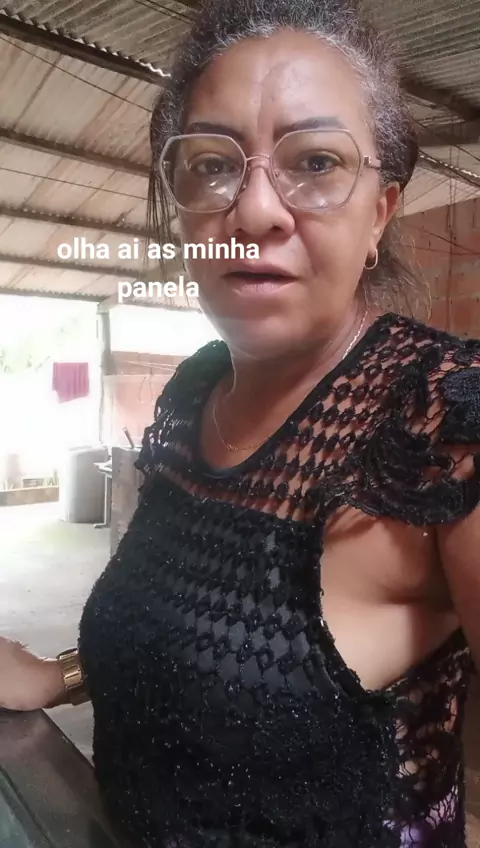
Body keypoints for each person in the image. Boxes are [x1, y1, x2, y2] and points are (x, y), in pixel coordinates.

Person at [1, 0, 480, 845]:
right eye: (212, 165)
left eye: (318, 161)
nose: (255, 211)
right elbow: (184, 629)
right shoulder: (196, 389)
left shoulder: (444, 416)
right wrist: (62, 674)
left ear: (380, 212)